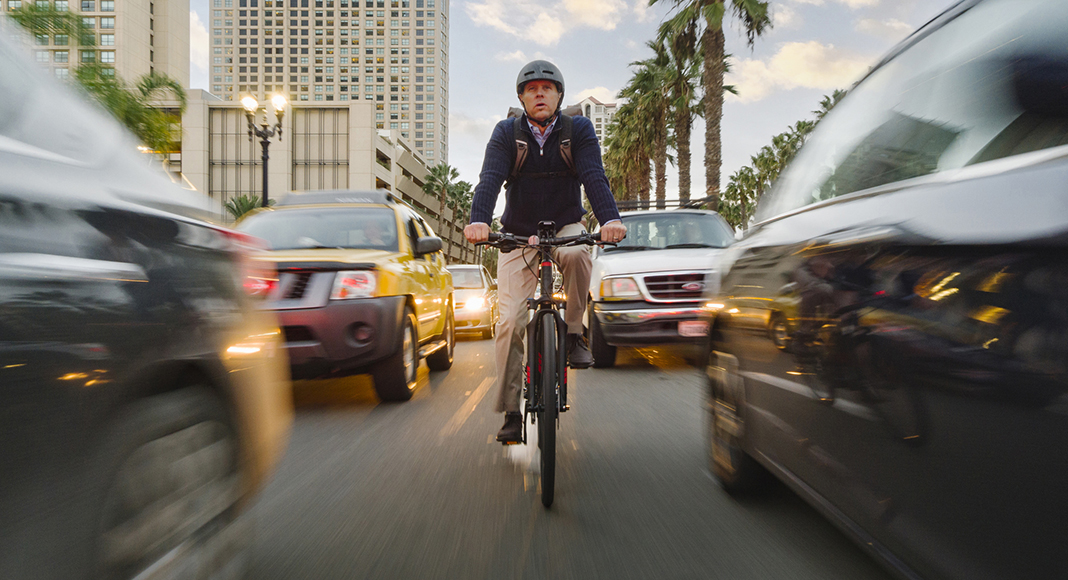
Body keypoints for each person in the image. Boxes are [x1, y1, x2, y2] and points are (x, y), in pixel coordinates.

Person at [464, 60, 627, 444]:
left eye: (547, 88)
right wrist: (479, 221)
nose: (540, 93)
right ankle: (509, 411)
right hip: (517, 234)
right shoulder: (507, 133)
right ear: (521, 97)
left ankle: (574, 334)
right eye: (531, 88)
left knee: (578, 254)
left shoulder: (578, 130)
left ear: (558, 95)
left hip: (565, 226)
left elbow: (593, 176)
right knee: (509, 322)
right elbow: (489, 178)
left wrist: (609, 220)